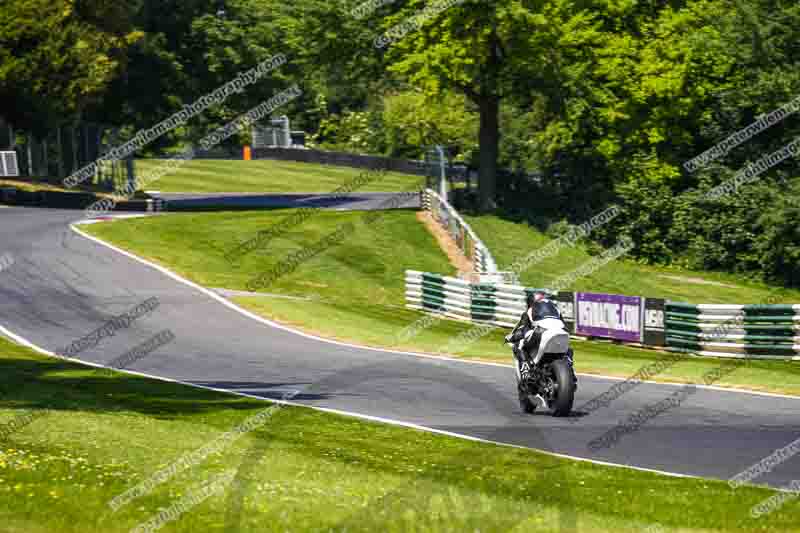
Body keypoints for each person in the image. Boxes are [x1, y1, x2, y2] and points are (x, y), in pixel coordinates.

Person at [504, 290, 565, 381]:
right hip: (560, 333)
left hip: (540, 333)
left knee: (519, 345)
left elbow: (522, 329)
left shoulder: (529, 312)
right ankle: (571, 374)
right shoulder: (557, 311)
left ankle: (525, 372)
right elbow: (565, 327)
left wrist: (511, 337)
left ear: (530, 302)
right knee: (568, 351)